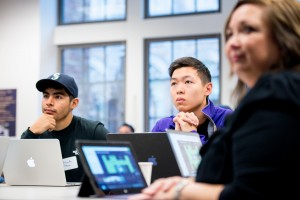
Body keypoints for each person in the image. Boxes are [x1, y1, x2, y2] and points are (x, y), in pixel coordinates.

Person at [129, 0, 300, 199]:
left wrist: (180, 190)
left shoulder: (278, 94)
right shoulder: (264, 97)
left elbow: (252, 191)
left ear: (284, 37)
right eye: (229, 34)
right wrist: (181, 183)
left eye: (249, 30)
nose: (233, 42)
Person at [21, 73, 109, 182]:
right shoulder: (34, 133)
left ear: (74, 103)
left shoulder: (94, 131)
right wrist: (31, 132)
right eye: (45, 96)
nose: (49, 102)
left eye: (58, 97)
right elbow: (14, 172)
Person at [151, 57, 233, 144]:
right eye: (174, 83)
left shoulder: (227, 119)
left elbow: (224, 157)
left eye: (188, 82)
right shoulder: (162, 126)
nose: (179, 90)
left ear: (208, 89)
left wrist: (191, 136)